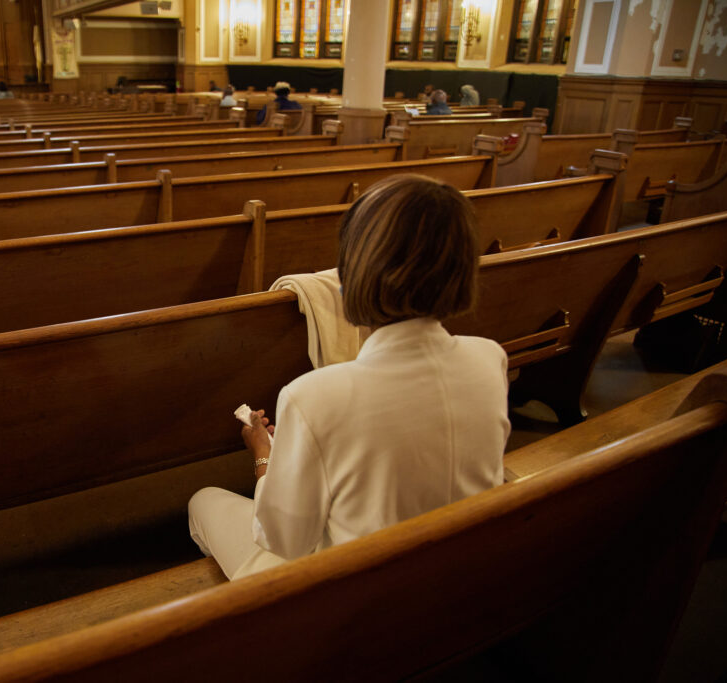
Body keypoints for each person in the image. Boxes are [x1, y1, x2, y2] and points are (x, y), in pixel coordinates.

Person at [188, 173, 510, 580]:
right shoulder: (490, 359)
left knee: (203, 501)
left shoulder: (313, 395)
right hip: (463, 575)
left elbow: (285, 541)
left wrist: (264, 457)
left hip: (355, 601)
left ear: (356, 273)